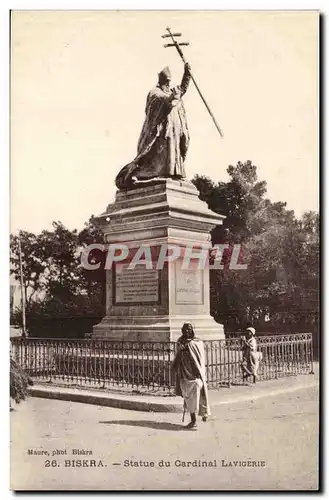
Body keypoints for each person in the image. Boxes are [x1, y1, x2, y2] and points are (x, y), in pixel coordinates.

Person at [115, 63, 191, 190]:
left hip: (174, 131)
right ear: (161, 81)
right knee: (161, 155)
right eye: (166, 82)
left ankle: (174, 173)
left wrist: (187, 74)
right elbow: (163, 101)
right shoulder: (155, 93)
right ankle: (148, 174)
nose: (168, 84)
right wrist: (172, 97)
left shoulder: (172, 92)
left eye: (169, 82)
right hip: (161, 133)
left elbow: (181, 91)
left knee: (173, 153)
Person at [172, 323, 210, 430]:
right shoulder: (180, 342)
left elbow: (200, 358)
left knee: (199, 393)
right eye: (184, 329)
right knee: (188, 399)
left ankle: (204, 413)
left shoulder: (197, 342)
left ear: (192, 330)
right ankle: (193, 420)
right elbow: (177, 356)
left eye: (189, 329)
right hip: (184, 374)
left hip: (195, 374)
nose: (186, 331)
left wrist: (188, 350)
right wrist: (181, 351)